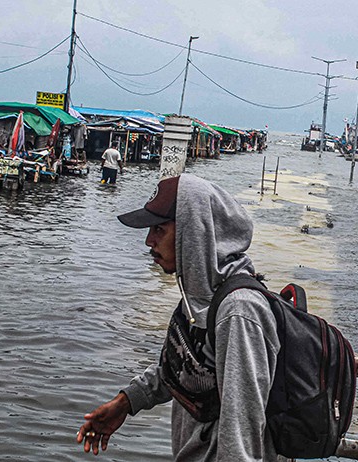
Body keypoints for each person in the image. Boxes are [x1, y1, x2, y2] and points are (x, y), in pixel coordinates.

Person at [76, 174, 282, 461]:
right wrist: (126, 402)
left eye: (159, 229)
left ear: (194, 233)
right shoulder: (200, 298)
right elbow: (186, 366)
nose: (149, 241)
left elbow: (242, 430)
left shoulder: (238, 311)